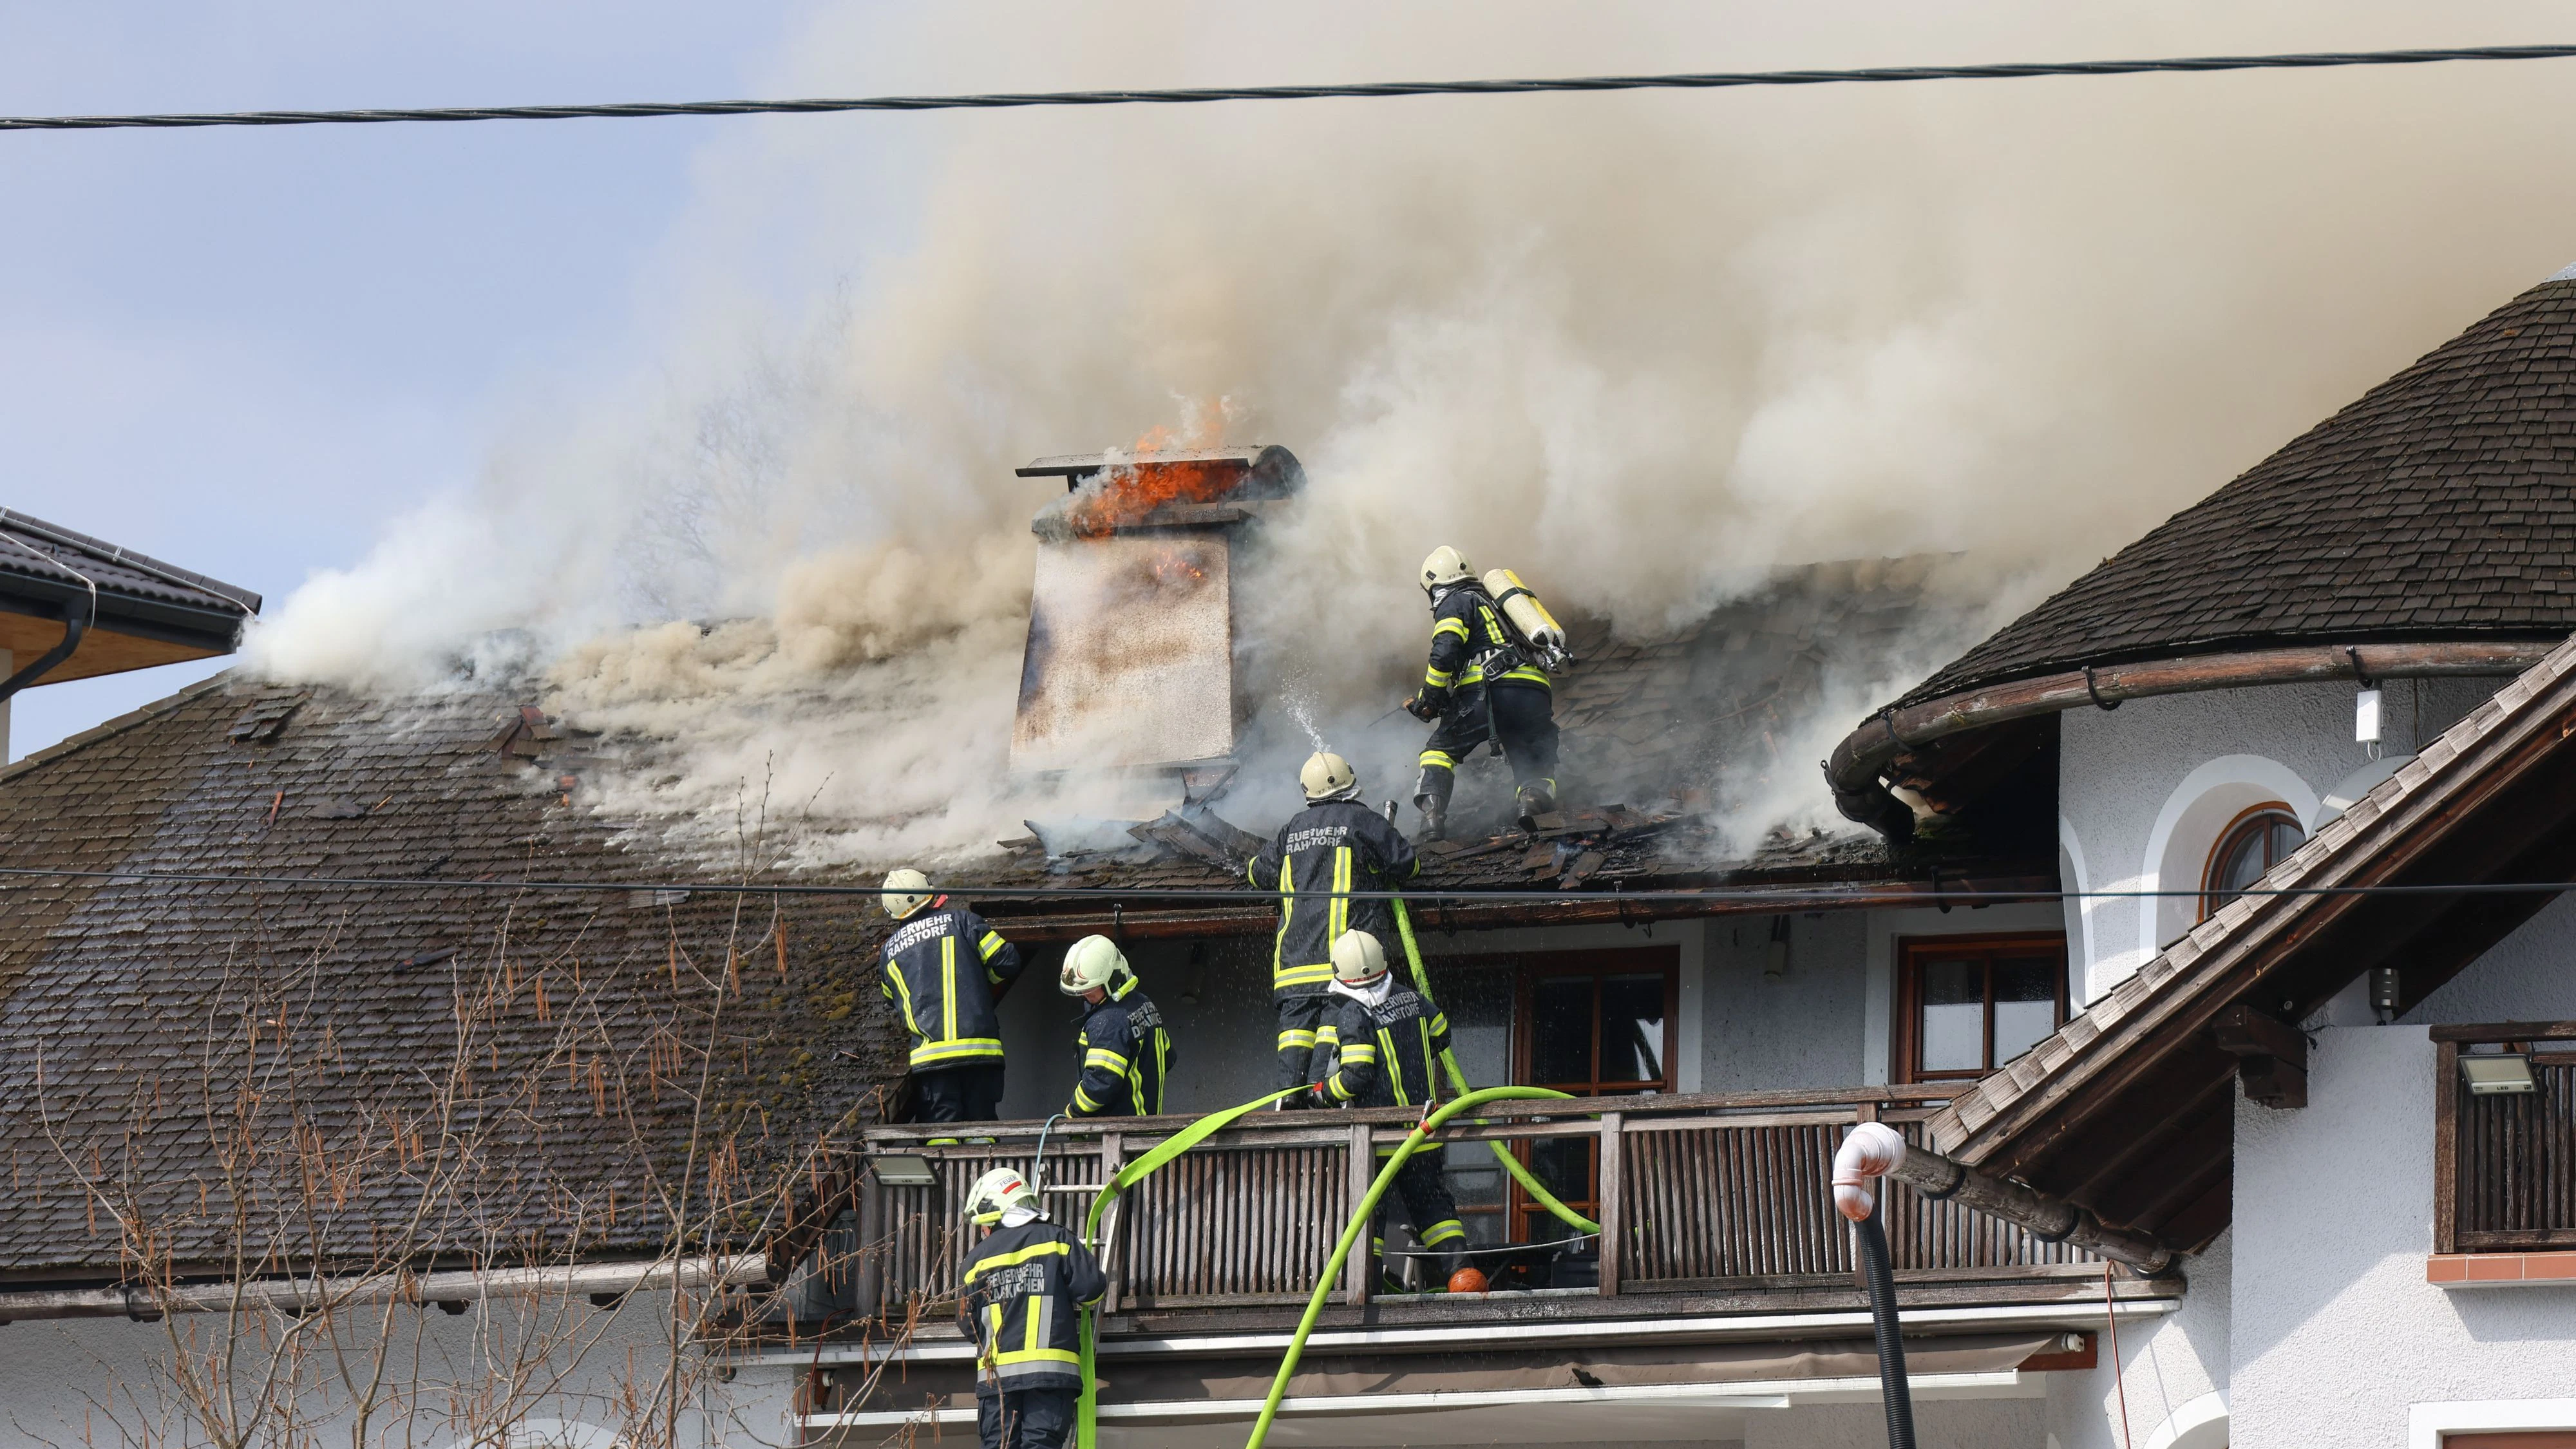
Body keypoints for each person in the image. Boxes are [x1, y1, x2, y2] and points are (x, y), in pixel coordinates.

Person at [1245, 751, 1419, 1099]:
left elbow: (1257, 874)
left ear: (1308, 791)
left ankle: (1287, 1105)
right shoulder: (1363, 820)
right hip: (1343, 969)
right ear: (1350, 782)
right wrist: (1374, 868)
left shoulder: (1291, 829)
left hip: (1293, 970)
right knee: (1327, 1059)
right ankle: (1317, 1112)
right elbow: (1408, 865)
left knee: (1292, 1050)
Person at [1309, 929, 1468, 1282]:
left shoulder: (1351, 1013)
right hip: (1424, 1130)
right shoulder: (1412, 998)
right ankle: (1461, 1275)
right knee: (1432, 1205)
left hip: (1379, 1140)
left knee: (1372, 1211)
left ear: (1339, 971)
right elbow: (1442, 1034)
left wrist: (1322, 1093)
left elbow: (1356, 1076)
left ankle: (1368, 1282)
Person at [1405, 545, 1560, 839]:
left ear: (1434, 585)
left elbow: (1445, 651)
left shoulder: (1457, 602)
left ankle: (1433, 819)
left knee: (1438, 752)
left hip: (1491, 690)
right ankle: (1531, 804)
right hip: (1535, 692)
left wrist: (1428, 698)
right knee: (1532, 756)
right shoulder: (1497, 604)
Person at [956, 1167, 1106, 1449]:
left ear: (995, 1213)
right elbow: (1091, 1292)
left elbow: (968, 1325)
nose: (984, 1232)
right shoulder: (1058, 1240)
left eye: (984, 1225)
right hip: (1051, 1378)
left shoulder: (973, 1263)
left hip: (996, 1384)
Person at [878, 868, 1024, 1125]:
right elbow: (1008, 961)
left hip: (931, 1061)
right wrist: (982, 981)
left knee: (940, 1134)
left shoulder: (889, 951)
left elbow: (891, 998)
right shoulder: (963, 922)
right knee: (982, 1129)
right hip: (980, 1051)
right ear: (929, 892)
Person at [1057, 934, 1173, 1117]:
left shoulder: (1108, 1022)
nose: (1084, 995)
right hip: (1148, 1129)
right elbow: (1168, 1057)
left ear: (1112, 979)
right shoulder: (1144, 1003)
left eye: (1090, 989)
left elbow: (1099, 1084)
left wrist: (1072, 1114)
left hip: (1120, 1136)